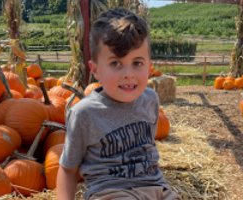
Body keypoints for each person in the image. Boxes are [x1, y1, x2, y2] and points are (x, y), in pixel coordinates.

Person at [56, 7, 182, 200]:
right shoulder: (84, 113)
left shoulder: (151, 100)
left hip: (156, 188)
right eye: (116, 63)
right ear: (96, 70)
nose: (128, 74)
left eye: (137, 63)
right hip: (110, 192)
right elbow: (68, 169)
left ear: (149, 67)